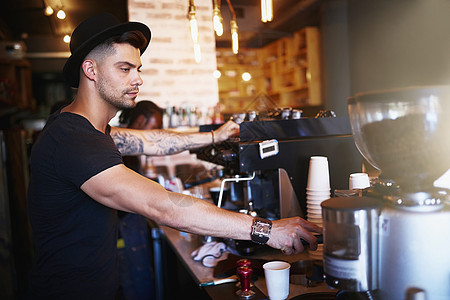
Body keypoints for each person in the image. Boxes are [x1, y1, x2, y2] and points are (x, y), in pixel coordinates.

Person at [25, 13, 321, 299]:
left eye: (138, 69)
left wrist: (213, 136)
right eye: (125, 69)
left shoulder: (87, 130)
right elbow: (163, 207)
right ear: (91, 70)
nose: (138, 79)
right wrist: (266, 231)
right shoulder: (73, 140)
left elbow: (151, 140)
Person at [116, 101, 163, 300]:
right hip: (123, 229)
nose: (154, 136)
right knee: (134, 285)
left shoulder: (130, 149)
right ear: (141, 120)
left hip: (131, 223)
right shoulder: (118, 146)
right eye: (153, 129)